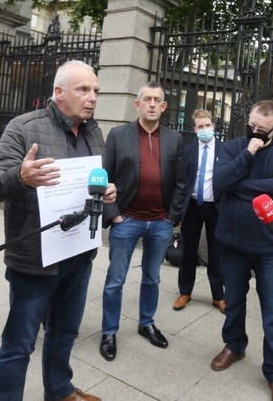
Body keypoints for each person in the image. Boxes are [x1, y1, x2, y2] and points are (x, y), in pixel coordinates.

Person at [0, 60, 114, 401]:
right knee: (19, 344)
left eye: (96, 91)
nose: (92, 98)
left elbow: (91, 184)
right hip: (35, 260)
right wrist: (21, 177)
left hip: (78, 253)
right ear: (59, 92)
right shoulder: (24, 127)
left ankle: (59, 390)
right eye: (83, 90)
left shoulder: (93, 132)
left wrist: (105, 193)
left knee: (65, 333)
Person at [210, 101, 273, 401]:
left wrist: (238, 186)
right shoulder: (235, 147)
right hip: (232, 242)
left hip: (271, 247)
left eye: (263, 129)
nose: (256, 133)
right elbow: (220, 182)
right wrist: (248, 152)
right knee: (233, 301)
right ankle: (234, 345)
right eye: (252, 126)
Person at [99, 81, 186, 361]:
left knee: (152, 278)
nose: (151, 104)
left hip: (160, 222)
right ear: (137, 104)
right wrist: (115, 216)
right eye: (146, 99)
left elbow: (182, 183)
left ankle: (146, 323)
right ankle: (109, 331)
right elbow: (104, 177)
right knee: (115, 280)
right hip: (127, 221)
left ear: (163, 107)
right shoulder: (118, 135)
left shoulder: (175, 139)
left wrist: (172, 217)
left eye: (156, 100)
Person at [172, 110, 225, 313]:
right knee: (188, 252)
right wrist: (177, 212)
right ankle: (185, 291)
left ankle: (218, 296)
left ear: (214, 126)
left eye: (207, 125)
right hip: (192, 207)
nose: (204, 130)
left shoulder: (224, 149)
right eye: (200, 126)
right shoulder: (187, 151)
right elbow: (180, 181)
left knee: (216, 253)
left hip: (216, 208)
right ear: (194, 129)